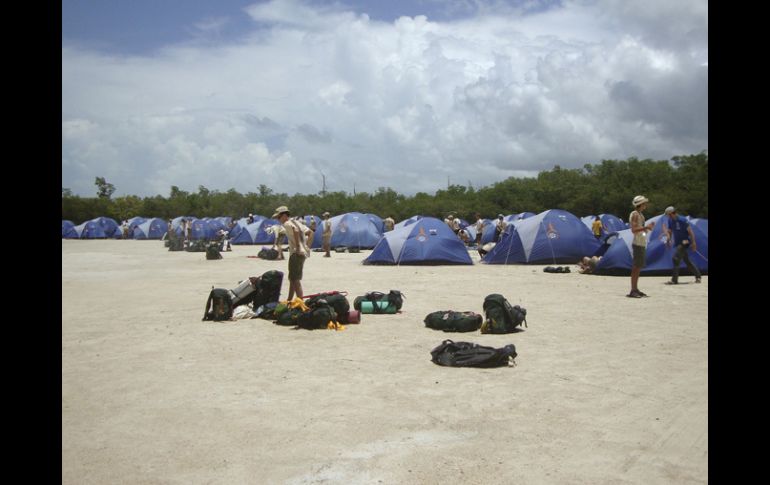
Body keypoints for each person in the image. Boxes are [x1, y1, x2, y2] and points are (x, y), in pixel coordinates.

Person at [273, 205, 313, 301]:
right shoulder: (297, 222)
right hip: (302, 254)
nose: (278, 220)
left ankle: (300, 302)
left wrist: (299, 248)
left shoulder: (287, 223)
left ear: (284, 215)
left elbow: (295, 231)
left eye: (279, 217)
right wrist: (306, 247)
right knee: (292, 278)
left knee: (295, 280)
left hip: (296, 253)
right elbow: (311, 232)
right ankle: (289, 299)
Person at [663, 206, 702, 285]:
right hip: (678, 242)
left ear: (671, 213)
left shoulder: (682, 220)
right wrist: (668, 240)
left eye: (668, 214)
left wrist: (693, 243)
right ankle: (698, 276)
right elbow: (670, 231)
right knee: (687, 261)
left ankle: (674, 280)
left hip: (685, 241)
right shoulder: (670, 220)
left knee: (675, 258)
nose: (668, 216)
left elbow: (690, 232)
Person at [628, 195, 655, 298]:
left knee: (638, 267)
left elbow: (639, 229)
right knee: (636, 267)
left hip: (641, 242)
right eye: (644, 203)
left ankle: (635, 289)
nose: (646, 205)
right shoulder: (635, 214)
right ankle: (633, 290)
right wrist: (646, 227)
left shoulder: (640, 215)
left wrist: (647, 228)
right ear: (641, 204)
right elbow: (634, 230)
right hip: (638, 243)